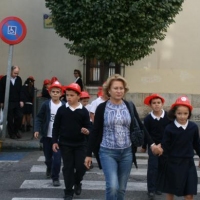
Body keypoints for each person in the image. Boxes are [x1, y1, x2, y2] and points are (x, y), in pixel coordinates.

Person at [84, 74, 163, 200]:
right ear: (109, 90)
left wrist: (152, 145)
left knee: (121, 189)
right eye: (115, 88)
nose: (119, 91)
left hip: (126, 153)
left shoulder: (129, 106)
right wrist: (88, 154)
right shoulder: (102, 108)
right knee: (113, 186)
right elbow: (95, 131)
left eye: (121, 88)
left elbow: (140, 127)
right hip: (107, 152)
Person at [52, 83, 91, 200]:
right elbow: (56, 126)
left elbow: (88, 127)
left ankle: (77, 181)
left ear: (78, 96)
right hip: (65, 144)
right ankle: (68, 191)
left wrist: (86, 131)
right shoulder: (62, 109)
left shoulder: (83, 111)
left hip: (80, 144)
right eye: (67, 95)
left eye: (72, 95)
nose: (68, 97)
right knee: (68, 168)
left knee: (81, 167)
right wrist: (55, 141)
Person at [157, 96, 200, 200]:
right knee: (171, 192)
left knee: (189, 194)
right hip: (173, 164)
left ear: (189, 114)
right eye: (179, 113)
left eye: (185, 113)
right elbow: (165, 146)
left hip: (188, 163)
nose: (182, 116)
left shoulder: (193, 127)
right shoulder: (169, 128)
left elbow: (197, 144)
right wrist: (159, 150)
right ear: (174, 113)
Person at [34, 81, 64, 187]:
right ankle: (48, 167)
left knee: (57, 159)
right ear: (50, 93)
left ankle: (55, 178)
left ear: (61, 94)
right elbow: (39, 118)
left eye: (57, 92)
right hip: (47, 136)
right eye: (53, 92)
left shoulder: (64, 106)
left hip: (59, 138)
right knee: (48, 158)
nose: (55, 94)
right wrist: (37, 129)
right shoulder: (46, 105)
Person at [141, 94, 171, 200]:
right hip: (152, 146)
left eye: (158, 103)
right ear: (150, 105)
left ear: (162, 104)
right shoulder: (148, 118)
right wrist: (145, 146)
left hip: (165, 146)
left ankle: (159, 186)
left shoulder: (168, 117)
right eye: (154, 103)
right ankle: (151, 189)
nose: (156, 105)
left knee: (162, 166)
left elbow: (170, 133)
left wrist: (163, 145)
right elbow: (146, 133)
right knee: (153, 167)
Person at [0, 66, 24, 139]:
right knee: (10, 118)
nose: (16, 75)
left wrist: (21, 100)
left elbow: (21, 90)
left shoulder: (19, 79)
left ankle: (16, 130)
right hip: (8, 101)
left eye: (17, 73)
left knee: (19, 116)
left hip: (17, 101)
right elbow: (1, 91)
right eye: (15, 73)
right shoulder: (4, 79)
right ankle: (11, 133)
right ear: (10, 71)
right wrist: (1, 101)